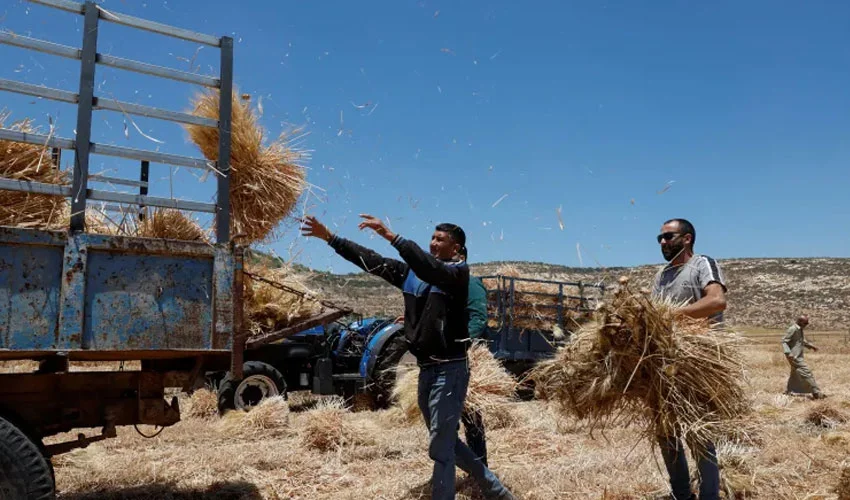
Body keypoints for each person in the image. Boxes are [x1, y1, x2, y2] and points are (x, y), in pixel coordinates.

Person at [301, 214, 514, 500]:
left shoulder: (457, 274)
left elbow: (429, 268)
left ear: (457, 249)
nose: (433, 243)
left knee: (439, 448)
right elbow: (372, 261)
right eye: (432, 237)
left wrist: (392, 237)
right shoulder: (411, 275)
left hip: (450, 369)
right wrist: (330, 238)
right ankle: (496, 490)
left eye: (441, 240)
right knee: (445, 441)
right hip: (426, 370)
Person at [651, 218, 727, 500]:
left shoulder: (701, 264)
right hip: (664, 362)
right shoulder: (661, 276)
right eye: (659, 237)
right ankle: (682, 494)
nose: (662, 242)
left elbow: (716, 301)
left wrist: (669, 316)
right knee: (666, 431)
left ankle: (709, 496)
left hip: (699, 359)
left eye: (668, 236)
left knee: (700, 433)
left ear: (687, 239)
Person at [458, 246, 489, 466]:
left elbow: (479, 319)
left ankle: (480, 468)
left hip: (464, 356)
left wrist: (461, 345)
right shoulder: (442, 284)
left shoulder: (470, 283)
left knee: (471, 416)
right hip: (443, 359)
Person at [782, 315, 824, 399]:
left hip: (798, 355)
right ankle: (816, 393)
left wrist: (811, 346)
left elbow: (801, 341)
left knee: (794, 374)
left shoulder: (799, 329)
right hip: (794, 356)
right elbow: (784, 341)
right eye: (805, 323)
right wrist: (788, 352)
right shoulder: (793, 329)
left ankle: (789, 391)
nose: (806, 324)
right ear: (800, 321)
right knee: (807, 372)